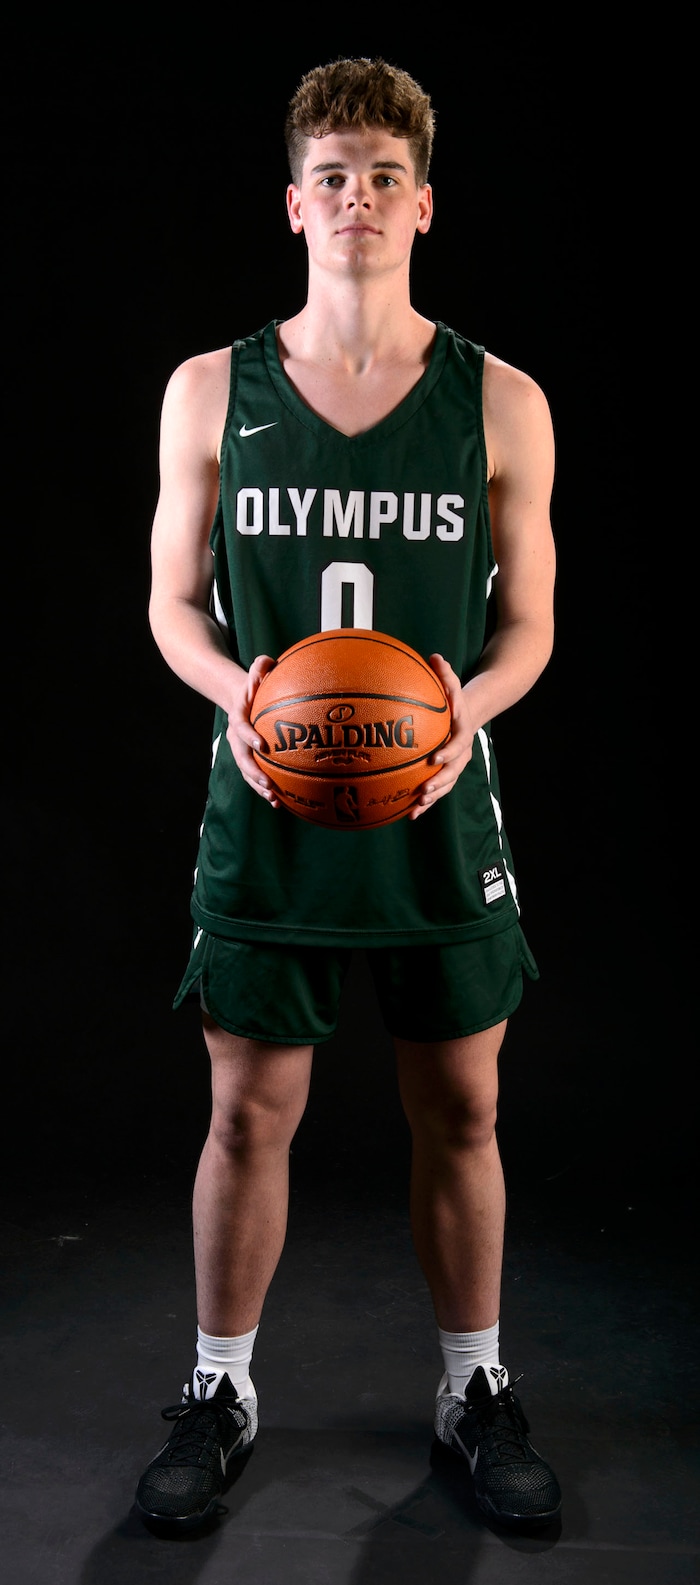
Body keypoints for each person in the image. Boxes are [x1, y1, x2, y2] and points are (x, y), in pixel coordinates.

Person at [135, 57, 560, 1533]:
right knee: (248, 1112)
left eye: (386, 175)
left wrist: (461, 718)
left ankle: (473, 1379)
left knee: (464, 1100)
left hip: (439, 799)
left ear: (425, 204)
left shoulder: (502, 400)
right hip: (269, 794)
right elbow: (170, 608)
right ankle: (220, 1381)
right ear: (294, 201)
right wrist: (239, 694)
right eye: (334, 173)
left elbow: (531, 630)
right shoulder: (211, 390)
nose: (358, 197)